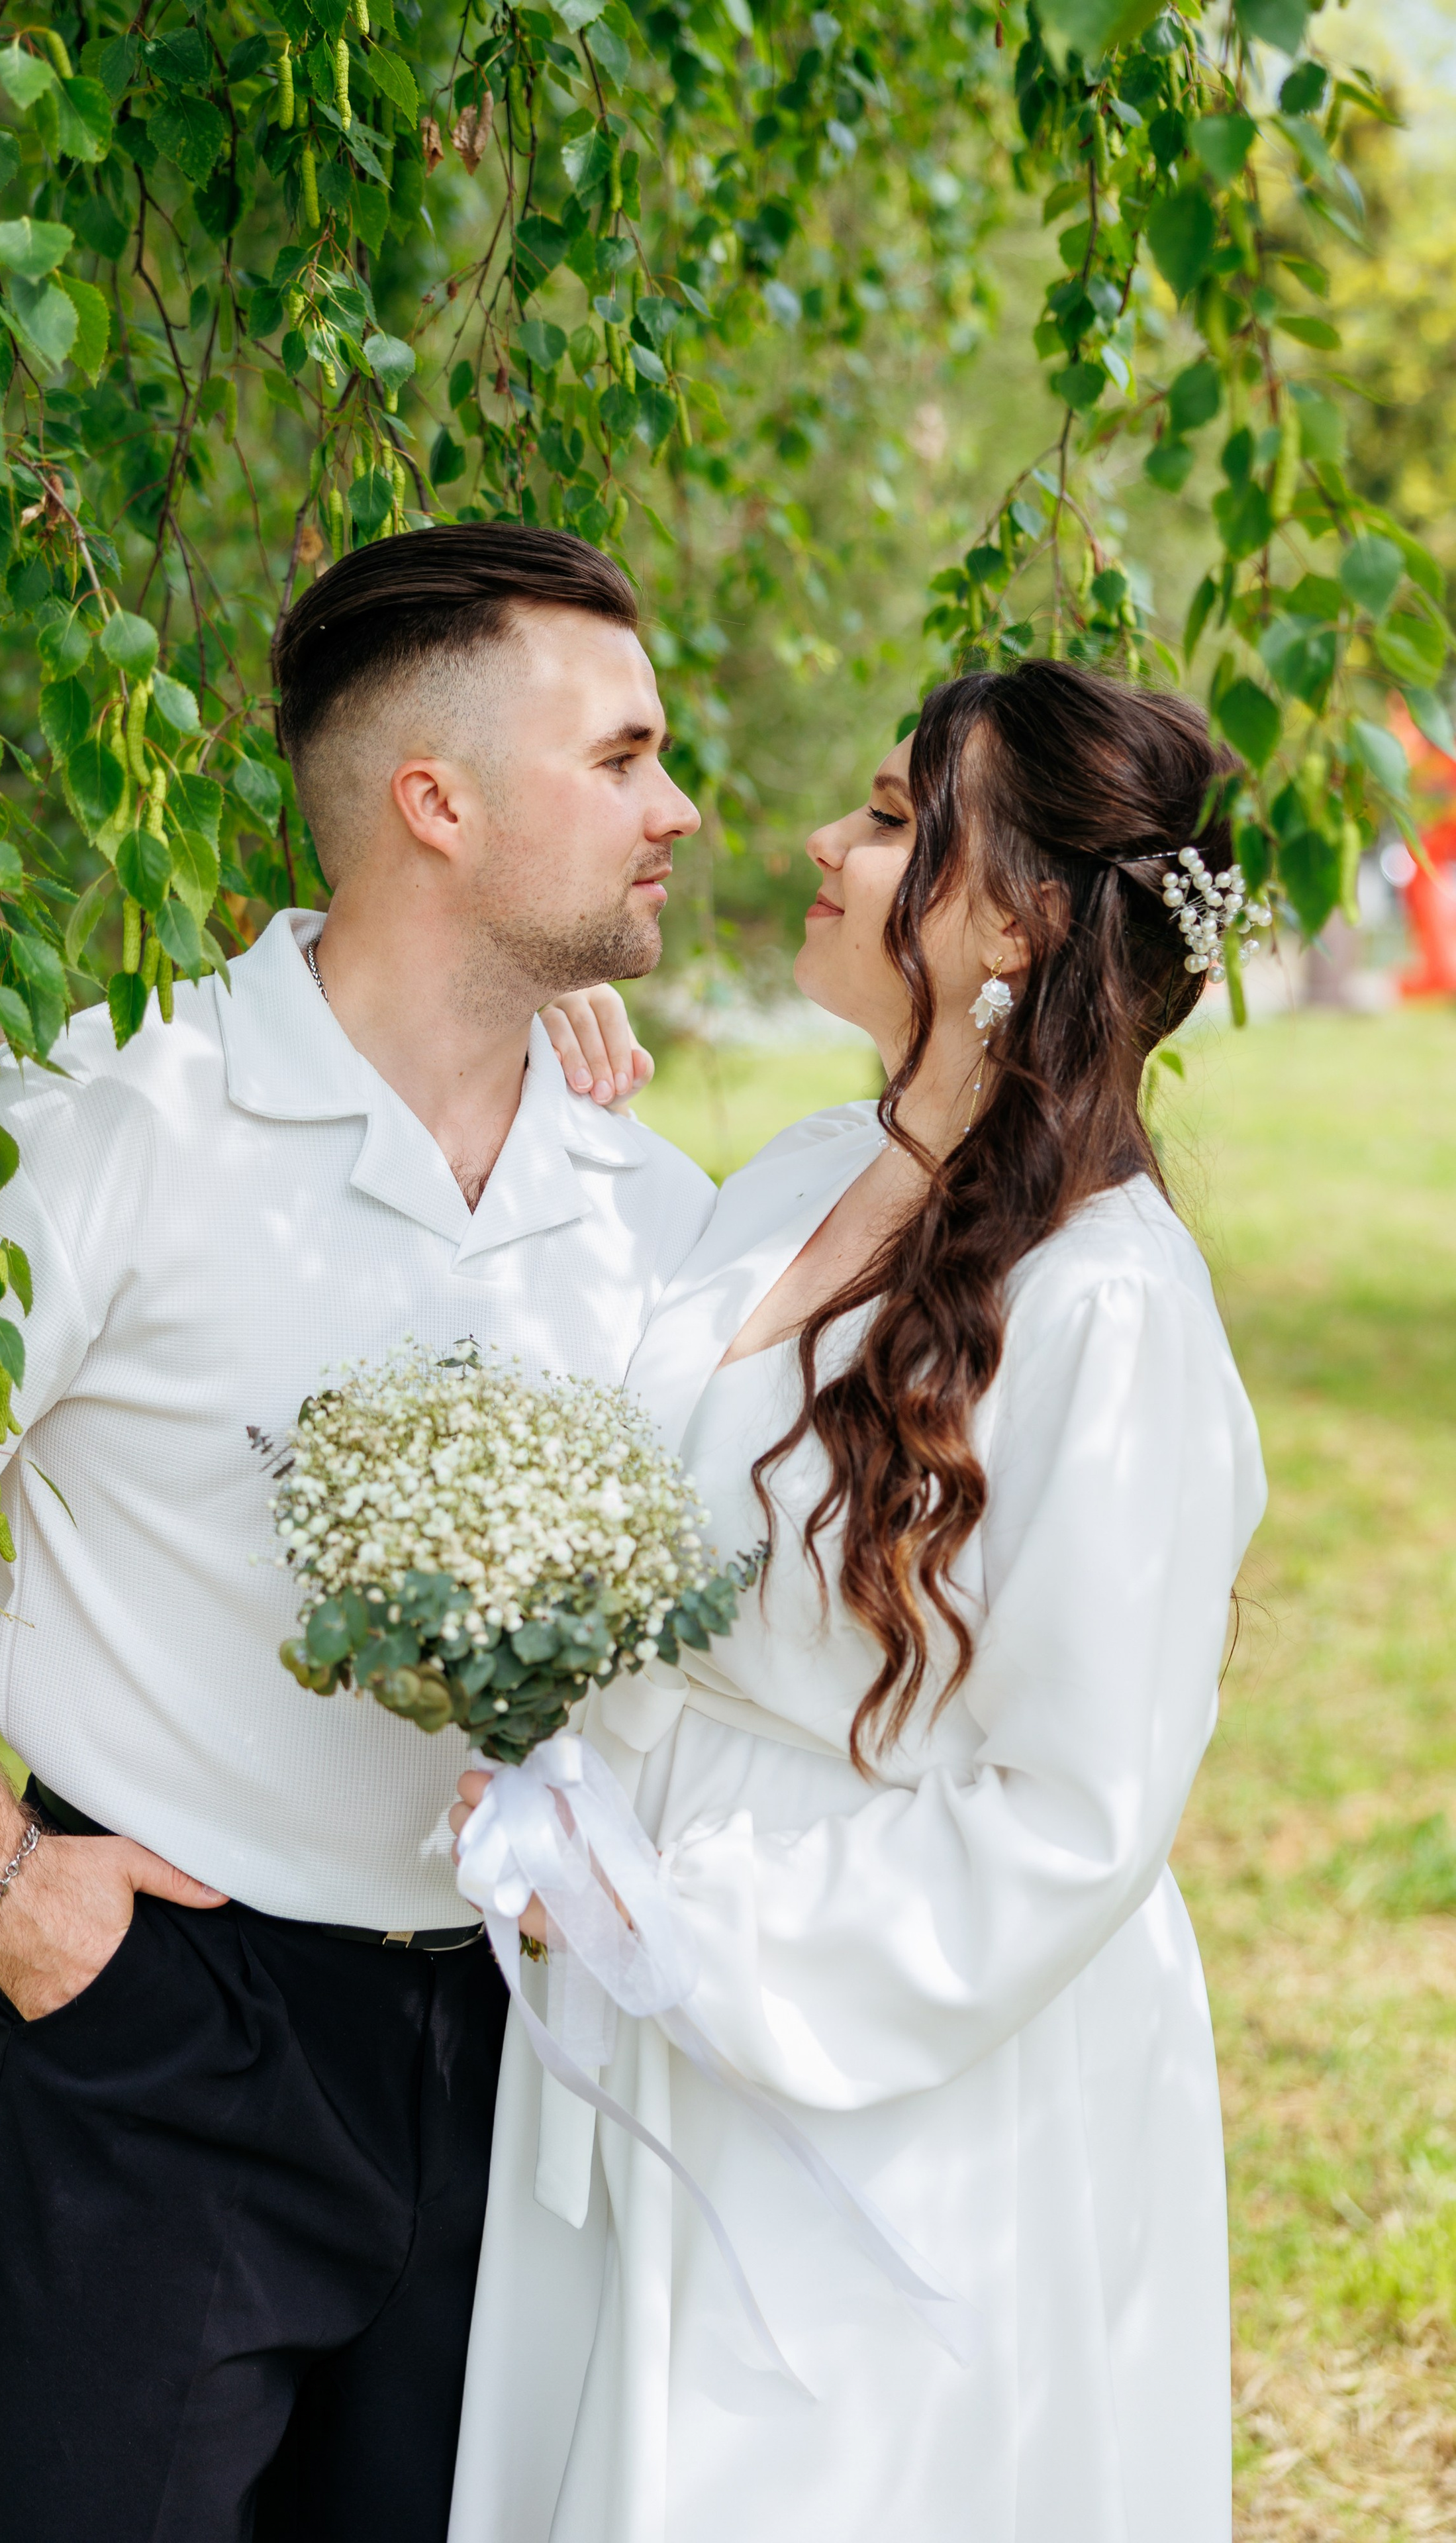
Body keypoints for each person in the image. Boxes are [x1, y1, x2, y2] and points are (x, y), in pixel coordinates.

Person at [0, 524, 714, 2542]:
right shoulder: (112, 1109)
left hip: (520, 2065)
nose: (680, 808)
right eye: (622, 758)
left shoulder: (647, 1198)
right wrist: (9, 1887)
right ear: (433, 801)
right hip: (162, 2034)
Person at [448, 660, 1268, 2543]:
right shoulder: (811, 1170)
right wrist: (516, 1020)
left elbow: (1073, 1823)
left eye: (897, 817)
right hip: (637, 1983)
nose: (825, 840)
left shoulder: (1107, 1307)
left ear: (1017, 921)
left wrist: (677, 1920)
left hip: (889, 2053)